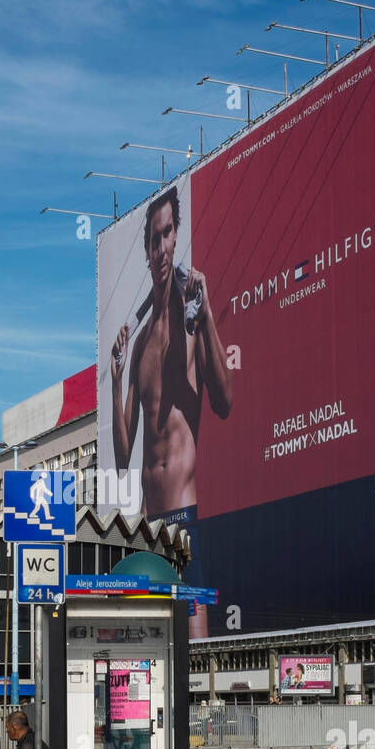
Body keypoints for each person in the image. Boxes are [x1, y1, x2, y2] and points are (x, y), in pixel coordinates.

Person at [110, 186, 234, 639]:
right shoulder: (141, 341)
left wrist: (210, 317)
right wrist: (116, 376)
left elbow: (224, 402)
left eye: (167, 234)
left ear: (176, 236)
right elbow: (124, 457)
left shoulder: (192, 317)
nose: (161, 248)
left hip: (183, 517)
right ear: (145, 249)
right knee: (149, 642)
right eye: (153, 239)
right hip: (149, 523)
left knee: (195, 647)